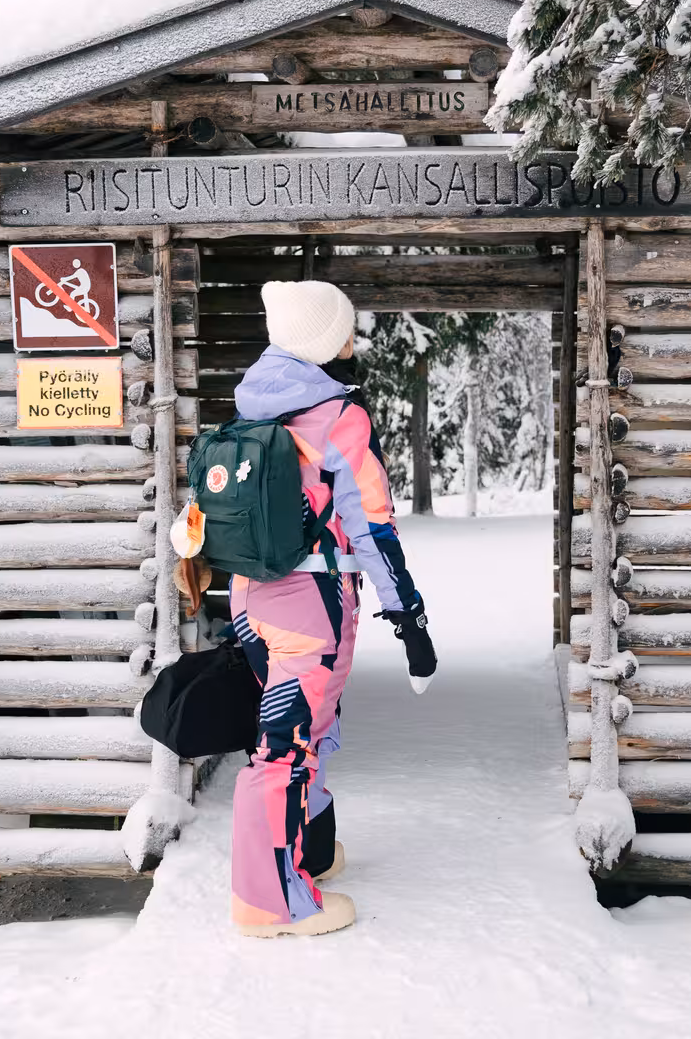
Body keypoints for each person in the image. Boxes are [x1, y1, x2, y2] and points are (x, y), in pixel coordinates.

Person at [225, 280, 436, 938]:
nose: (353, 341)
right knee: (285, 748)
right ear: (324, 342)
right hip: (311, 610)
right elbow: (373, 529)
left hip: (250, 605)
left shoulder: (251, 410)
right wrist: (410, 619)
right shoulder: (340, 419)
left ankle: (311, 855)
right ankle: (271, 903)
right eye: (345, 331)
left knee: (302, 729)